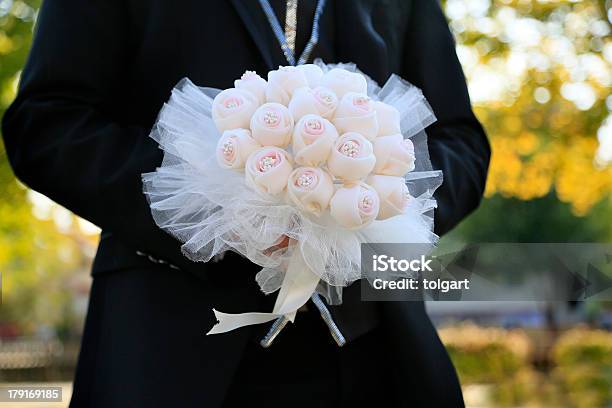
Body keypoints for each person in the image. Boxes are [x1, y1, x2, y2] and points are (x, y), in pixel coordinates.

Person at [2, 0, 490, 407]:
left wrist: (372, 205)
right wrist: (209, 210)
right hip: (170, 350)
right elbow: (48, 125)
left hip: (379, 352)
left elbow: (459, 141)